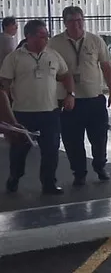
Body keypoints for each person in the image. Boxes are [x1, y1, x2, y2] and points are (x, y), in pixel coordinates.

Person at [0, 19, 75, 195]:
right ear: (29, 37)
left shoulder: (53, 55)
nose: (46, 39)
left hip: (50, 113)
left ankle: (49, 183)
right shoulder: (14, 58)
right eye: (42, 36)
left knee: (51, 150)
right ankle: (15, 176)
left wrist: (70, 94)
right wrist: (8, 117)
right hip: (23, 114)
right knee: (19, 151)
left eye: (47, 35)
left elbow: (65, 75)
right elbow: (3, 87)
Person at [49, 6, 111, 186]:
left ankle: (100, 165)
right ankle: (79, 172)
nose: (77, 24)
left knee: (99, 136)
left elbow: (106, 68)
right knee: (72, 140)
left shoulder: (95, 41)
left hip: (94, 98)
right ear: (65, 23)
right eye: (72, 21)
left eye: (80, 20)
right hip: (68, 100)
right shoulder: (55, 43)